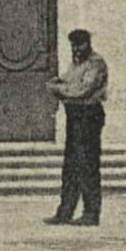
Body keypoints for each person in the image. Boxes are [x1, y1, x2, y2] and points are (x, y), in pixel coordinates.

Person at [46, 28, 109, 226]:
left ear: (88, 43)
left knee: (88, 165)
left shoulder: (96, 63)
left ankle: (91, 213)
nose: (76, 49)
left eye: (80, 44)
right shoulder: (76, 64)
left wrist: (59, 90)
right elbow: (65, 81)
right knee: (71, 166)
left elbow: (82, 90)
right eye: (73, 45)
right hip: (74, 116)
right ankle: (65, 212)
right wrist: (61, 86)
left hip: (89, 115)